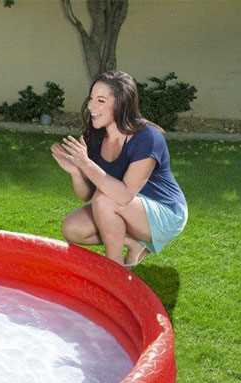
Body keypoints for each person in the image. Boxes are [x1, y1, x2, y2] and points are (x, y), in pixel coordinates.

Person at [51, 70, 188, 267]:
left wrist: (86, 164)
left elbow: (123, 196)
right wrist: (76, 171)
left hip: (166, 212)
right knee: (72, 228)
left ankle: (114, 268)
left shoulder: (148, 138)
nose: (90, 106)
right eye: (91, 99)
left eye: (100, 100)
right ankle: (134, 244)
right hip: (124, 207)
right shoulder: (96, 136)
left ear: (121, 104)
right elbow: (87, 195)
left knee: (105, 199)